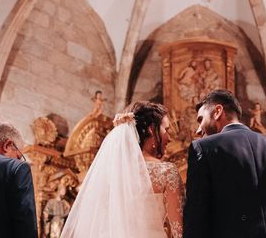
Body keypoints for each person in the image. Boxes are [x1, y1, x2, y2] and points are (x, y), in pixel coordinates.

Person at [184, 89, 266, 238]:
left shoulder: (203, 148)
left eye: (200, 119)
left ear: (218, 111)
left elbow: (197, 216)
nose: (198, 130)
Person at [61, 101, 184, 238]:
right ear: (151, 129)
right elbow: (179, 230)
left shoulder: (108, 174)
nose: (169, 137)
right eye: (166, 130)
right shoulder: (166, 172)